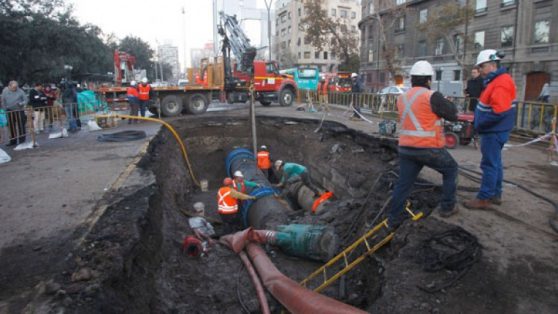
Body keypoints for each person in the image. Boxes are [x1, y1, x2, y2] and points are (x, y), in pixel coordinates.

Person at [387, 60, 459, 230]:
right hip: (428, 148)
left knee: (404, 183)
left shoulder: (402, 98)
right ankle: (448, 207)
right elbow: (453, 115)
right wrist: (446, 102)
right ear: (428, 80)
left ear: (412, 79)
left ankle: (394, 218)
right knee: (451, 169)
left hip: (406, 149)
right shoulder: (431, 96)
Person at [464, 50, 517, 210]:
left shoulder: (500, 82)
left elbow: (499, 112)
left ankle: (484, 197)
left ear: (492, 64)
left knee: (488, 164)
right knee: (495, 163)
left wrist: (480, 124)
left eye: (482, 66)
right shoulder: (498, 80)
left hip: (493, 131)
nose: (480, 70)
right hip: (496, 130)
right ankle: (495, 193)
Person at [1, 81, 28, 146]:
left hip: (19, 110)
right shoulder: (5, 91)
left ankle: (22, 140)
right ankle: (13, 141)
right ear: (9, 86)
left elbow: (26, 100)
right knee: (11, 126)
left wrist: (21, 104)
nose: (15, 88)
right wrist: (5, 110)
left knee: (21, 125)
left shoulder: (20, 91)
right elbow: (3, 101)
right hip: (9, 111)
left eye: (16, 87)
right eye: (13, 87)